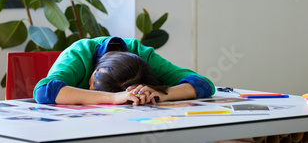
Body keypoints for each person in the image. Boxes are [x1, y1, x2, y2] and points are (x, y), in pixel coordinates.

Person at [34, 36, 215, 105]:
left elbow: (204, 84)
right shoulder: (79, 54)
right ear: (97, 70)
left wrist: (162, 93)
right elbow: (44, 91)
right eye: (94, 85)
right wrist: (113, 98)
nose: (90, 91)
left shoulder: (144, 57)